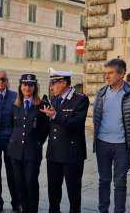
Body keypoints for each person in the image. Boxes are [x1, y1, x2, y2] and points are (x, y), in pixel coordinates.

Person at [93, 59, 130, 213]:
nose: (106, 76)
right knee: (103, 180)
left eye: (110, 73)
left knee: (120, 182)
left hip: (123, 145)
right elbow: (96, 116)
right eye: (105, 73)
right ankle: (103, 210)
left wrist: (128, 137)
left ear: (121, 74)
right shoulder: (101, 93)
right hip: (102, 143)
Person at [40, 69, 89, 213]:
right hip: (54, 152)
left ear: (63, 82)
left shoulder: (80, 99)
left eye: (53, 83)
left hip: (71, 153)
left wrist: (55, 115)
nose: (51, 87)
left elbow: (77, 123)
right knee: (53, 190)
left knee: (73, 190)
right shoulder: (54, 99)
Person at [8, 74, 50, 213]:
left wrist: (36, 142)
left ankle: (33, 210)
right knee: (19, 183)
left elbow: (45, 129)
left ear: (35, 87)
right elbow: (11, 126)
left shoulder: (41, 105)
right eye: (25, 84)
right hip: (15, 152)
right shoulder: (15, 105)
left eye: (30, 85)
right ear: (20, 87)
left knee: (31, 182)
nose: (27, 87)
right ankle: (25, 209)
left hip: (32, 151)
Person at [0, 70, 21, 213]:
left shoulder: (15, 96)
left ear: (7, 81)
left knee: (12, 172)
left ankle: (16, 202)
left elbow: (19, 118)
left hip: (10, 140)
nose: (0, 82)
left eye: (3, 79)